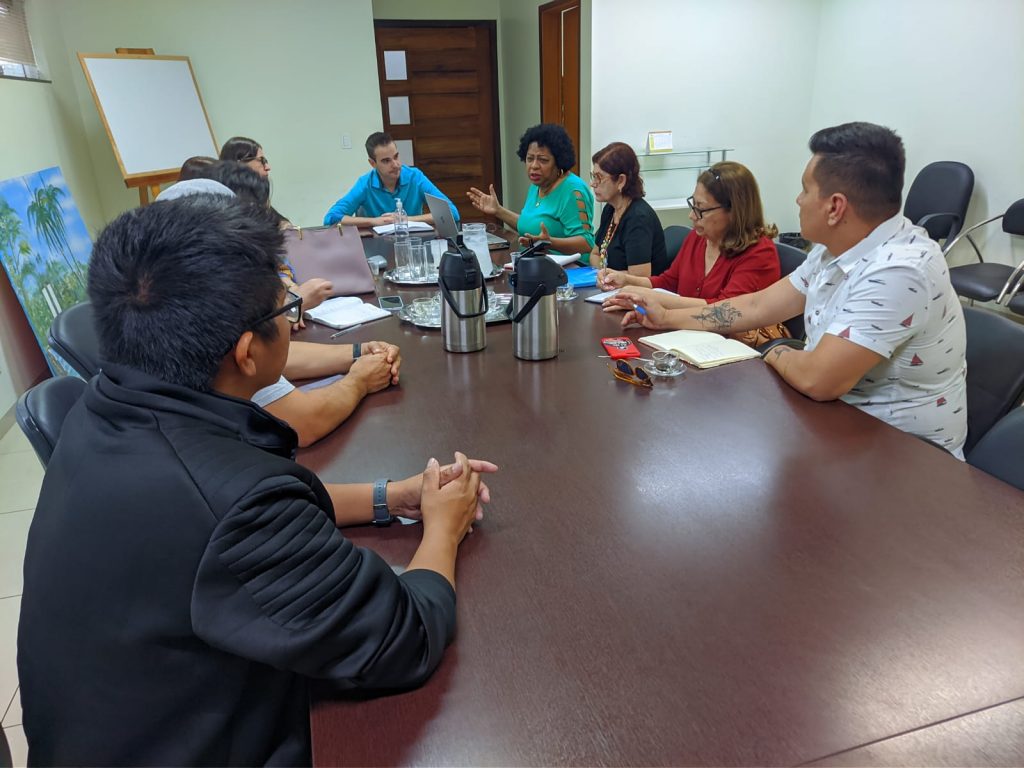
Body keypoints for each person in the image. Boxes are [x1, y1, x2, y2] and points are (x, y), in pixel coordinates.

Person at [18, 195, 498, 766]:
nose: (293, 319)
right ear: (247, 353)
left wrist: (389, 497)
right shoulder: (235, 501)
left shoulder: (107, 408)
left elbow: (235, 516)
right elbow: (405, 637)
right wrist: (442, 529)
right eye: (286, 310)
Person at [612, 122, 968, 457]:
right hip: (835, 427)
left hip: (903, 457)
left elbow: (817, 378)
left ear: (835, 207)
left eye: (805, 190)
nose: (797, 200)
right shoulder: (834, 250)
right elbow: (755, 306)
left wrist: (772, 349)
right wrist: (666, 317)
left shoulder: (900, 270)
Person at [162, 165, 403, 447]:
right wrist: (360, 380)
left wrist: (359, 351)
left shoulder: (174, 303)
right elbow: (304, 422)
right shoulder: (203, 318)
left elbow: (267, 353)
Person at [598, 161, 779, 310]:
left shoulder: (759, 253)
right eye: (693, 205)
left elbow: (725, 311)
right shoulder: (699, 237)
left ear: (734, 211)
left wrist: (650, 299)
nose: (692, 215)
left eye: (701, 209)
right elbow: (669, 282)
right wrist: (625, 280)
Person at [468, 123, 595, 255]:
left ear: (559, 162)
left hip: (569, 270)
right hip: (535, 264)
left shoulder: (573, 191)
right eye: (529, 159)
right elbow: (529, 224)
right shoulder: (537, 186)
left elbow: (586, 243)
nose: (534, 166)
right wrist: (498, 211)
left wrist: (549, 242)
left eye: (543, 160)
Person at [323, 132, 460, 227]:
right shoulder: (365, 183)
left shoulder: (415, 177)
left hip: (413, 243)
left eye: (396, 157)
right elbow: (331, 218)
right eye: (386, 161)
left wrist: (405, 220)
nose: (395, 164)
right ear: (373, 163)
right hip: (377, 248)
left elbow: (452, 213)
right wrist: (373, 221)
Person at [588, 141, 669, 275]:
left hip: (642, 292)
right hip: (613, 287)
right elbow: (594, 255)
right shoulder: (610, 209)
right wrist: (606, 274)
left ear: (621, 181)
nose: (593, 184)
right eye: (593, 176)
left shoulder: (638, 218)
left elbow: (639, 276)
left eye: (599, 178)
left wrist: (605, 274)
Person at [219, 136, 289, 225]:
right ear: (241, 164)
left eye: (266, 161)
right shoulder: (229, 209)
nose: (268, 167)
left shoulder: (257, 200)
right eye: (261, 160)